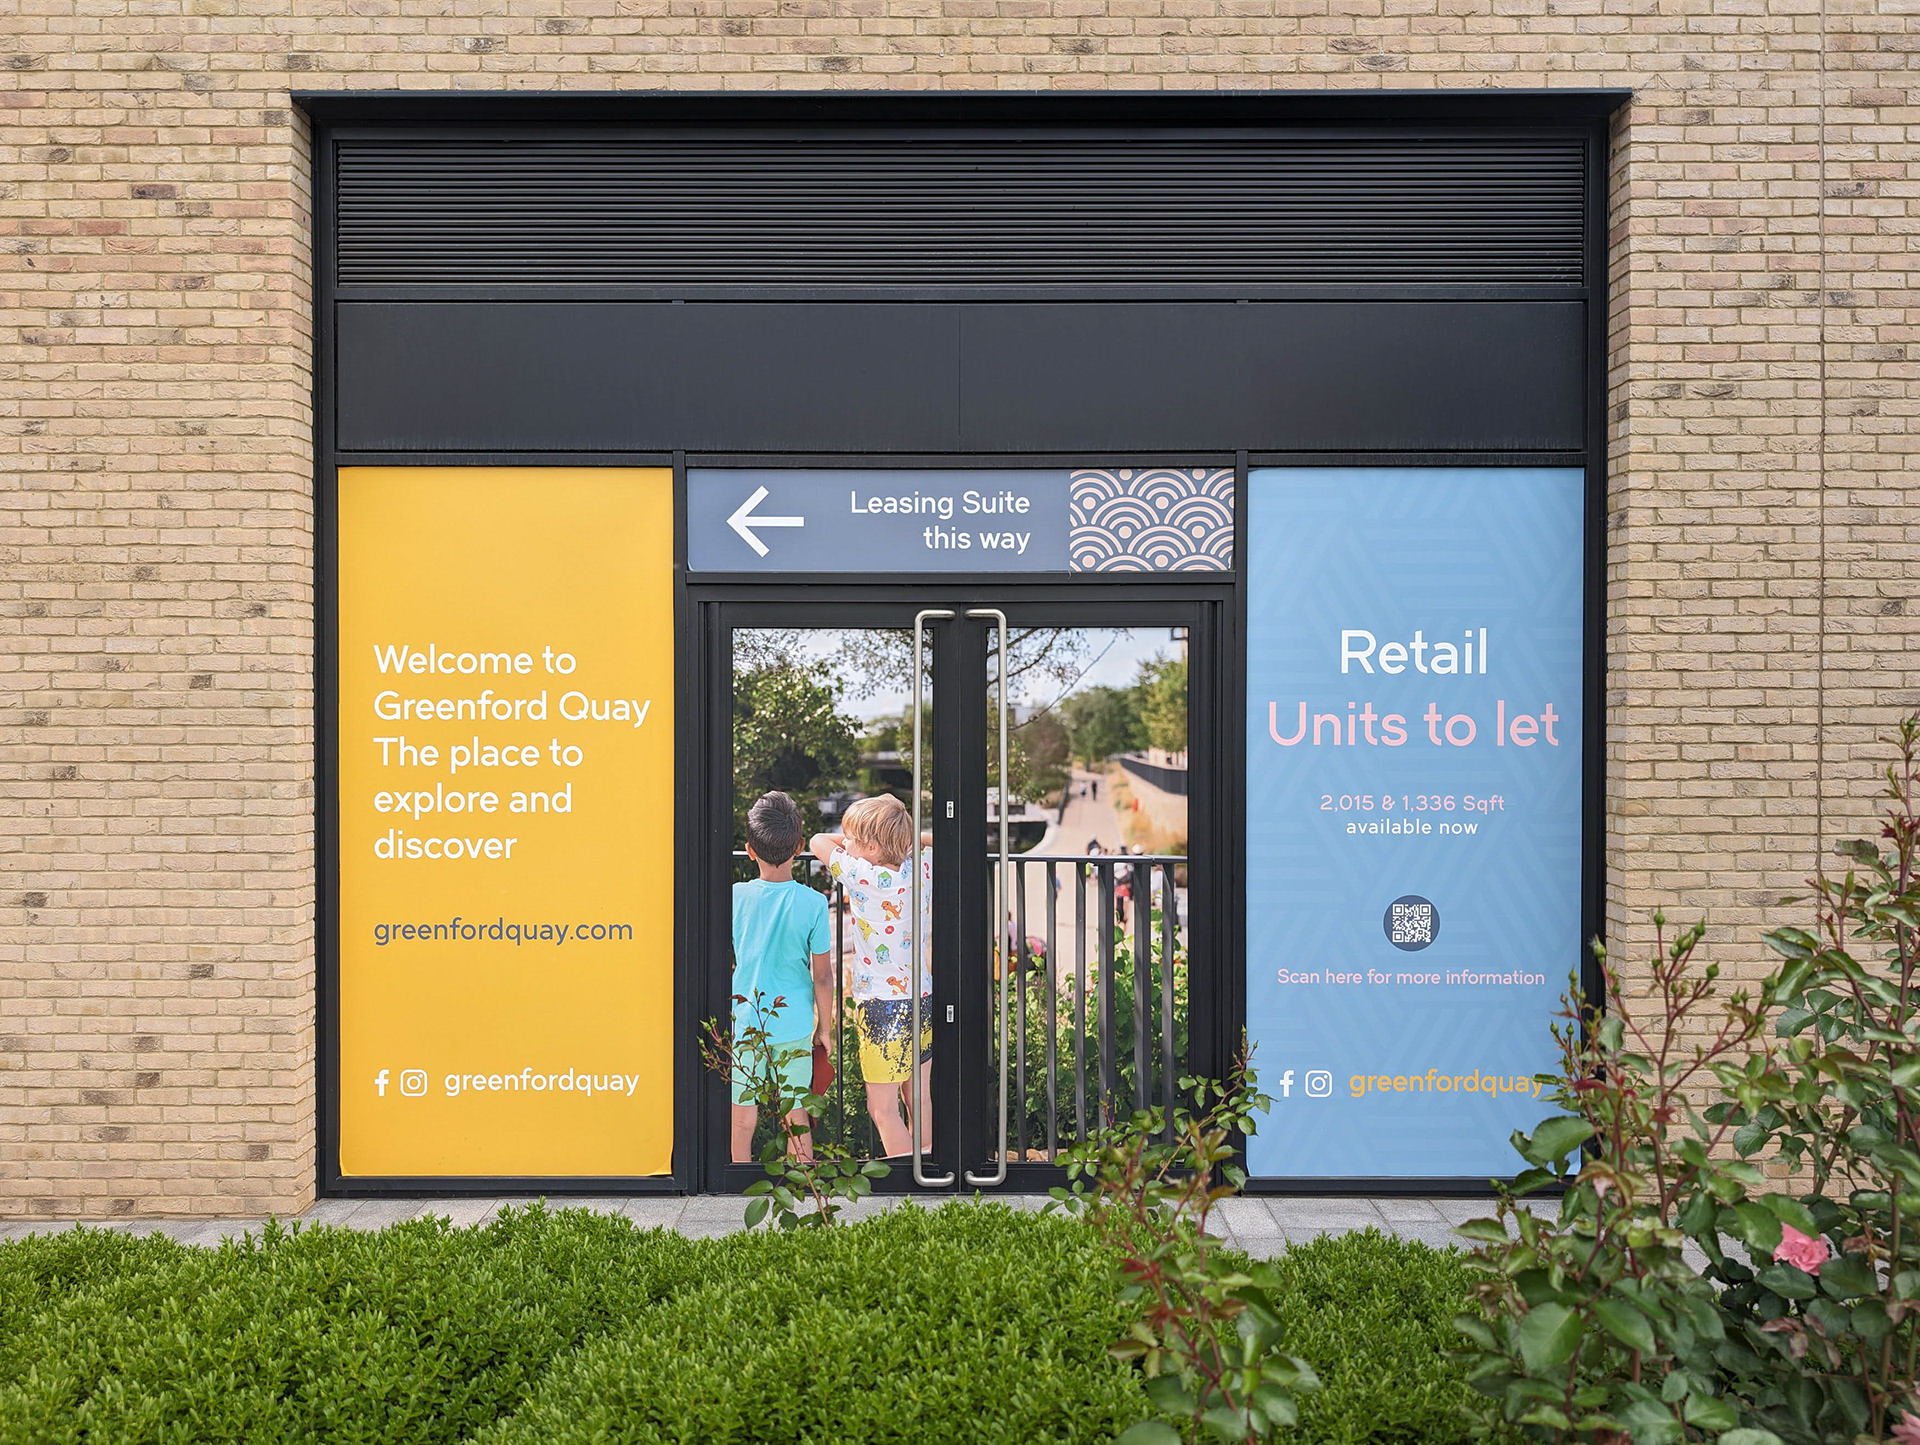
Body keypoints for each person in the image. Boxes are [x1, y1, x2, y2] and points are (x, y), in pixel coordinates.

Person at [810, 794, 932, 1158]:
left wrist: (852, 843)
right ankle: (930, 1168)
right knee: (918, 1097)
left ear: (872, 848)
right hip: (921, 997)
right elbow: (934, 840)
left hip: (881, 1006)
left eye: (852, 840)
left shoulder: (863, 874)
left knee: (882, 1108)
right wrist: (902, 835)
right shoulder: (919, 868)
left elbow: (817, 841)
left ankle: (907, 1178)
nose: (846, 844)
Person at [730, 791, 834, 1164]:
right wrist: (825, 1028)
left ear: (749, 850)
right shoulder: (814, 903)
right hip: (794, 1023)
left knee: (741, 1115)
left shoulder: (734, 897)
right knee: (795, 1110)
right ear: (799, 847)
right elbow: (823, 977)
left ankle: (735, 1181)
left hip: (747, 1021)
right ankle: (803, 1181)